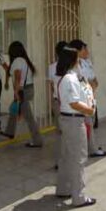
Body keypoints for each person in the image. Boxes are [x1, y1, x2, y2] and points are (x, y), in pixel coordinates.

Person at [55, 46, 97, 208]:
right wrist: (89, 110)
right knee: (78, 158)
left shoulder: (70, 77)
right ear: (73, 60)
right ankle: (78, 196)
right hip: (74, 121)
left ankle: (63, 188)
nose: (80, 61)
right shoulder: (70, 79)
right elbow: (74, 103)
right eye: (78, 58)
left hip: (68, 119)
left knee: (67, 156)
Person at [1, 41, 44, 147]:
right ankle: (10, 131)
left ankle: (37, 140)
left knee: (29, 118)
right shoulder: (25, 60)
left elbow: (18, 76)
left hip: (22, 90)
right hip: (28, 88)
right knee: (14, 109)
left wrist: (16, 91)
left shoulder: (17, 61)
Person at [69, 40, 106, 158]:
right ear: (77, 51)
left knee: (89, 125)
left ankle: (89, 148)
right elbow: (82, 83)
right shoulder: (72, 66)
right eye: (84, 49)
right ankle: (90, 149)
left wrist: (92, 87)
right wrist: (90, 87)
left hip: (88, 98)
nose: (87, 51)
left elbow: (92, 79)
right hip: (79, 100)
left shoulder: (86, 63)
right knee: (85, 125)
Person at [48, 41, 68, 169]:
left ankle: (60, 161)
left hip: (58, 101)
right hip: (70, 103)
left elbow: (51, 86)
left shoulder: (51, 67)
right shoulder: (71, 67)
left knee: (60, 132)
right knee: (70, 131)